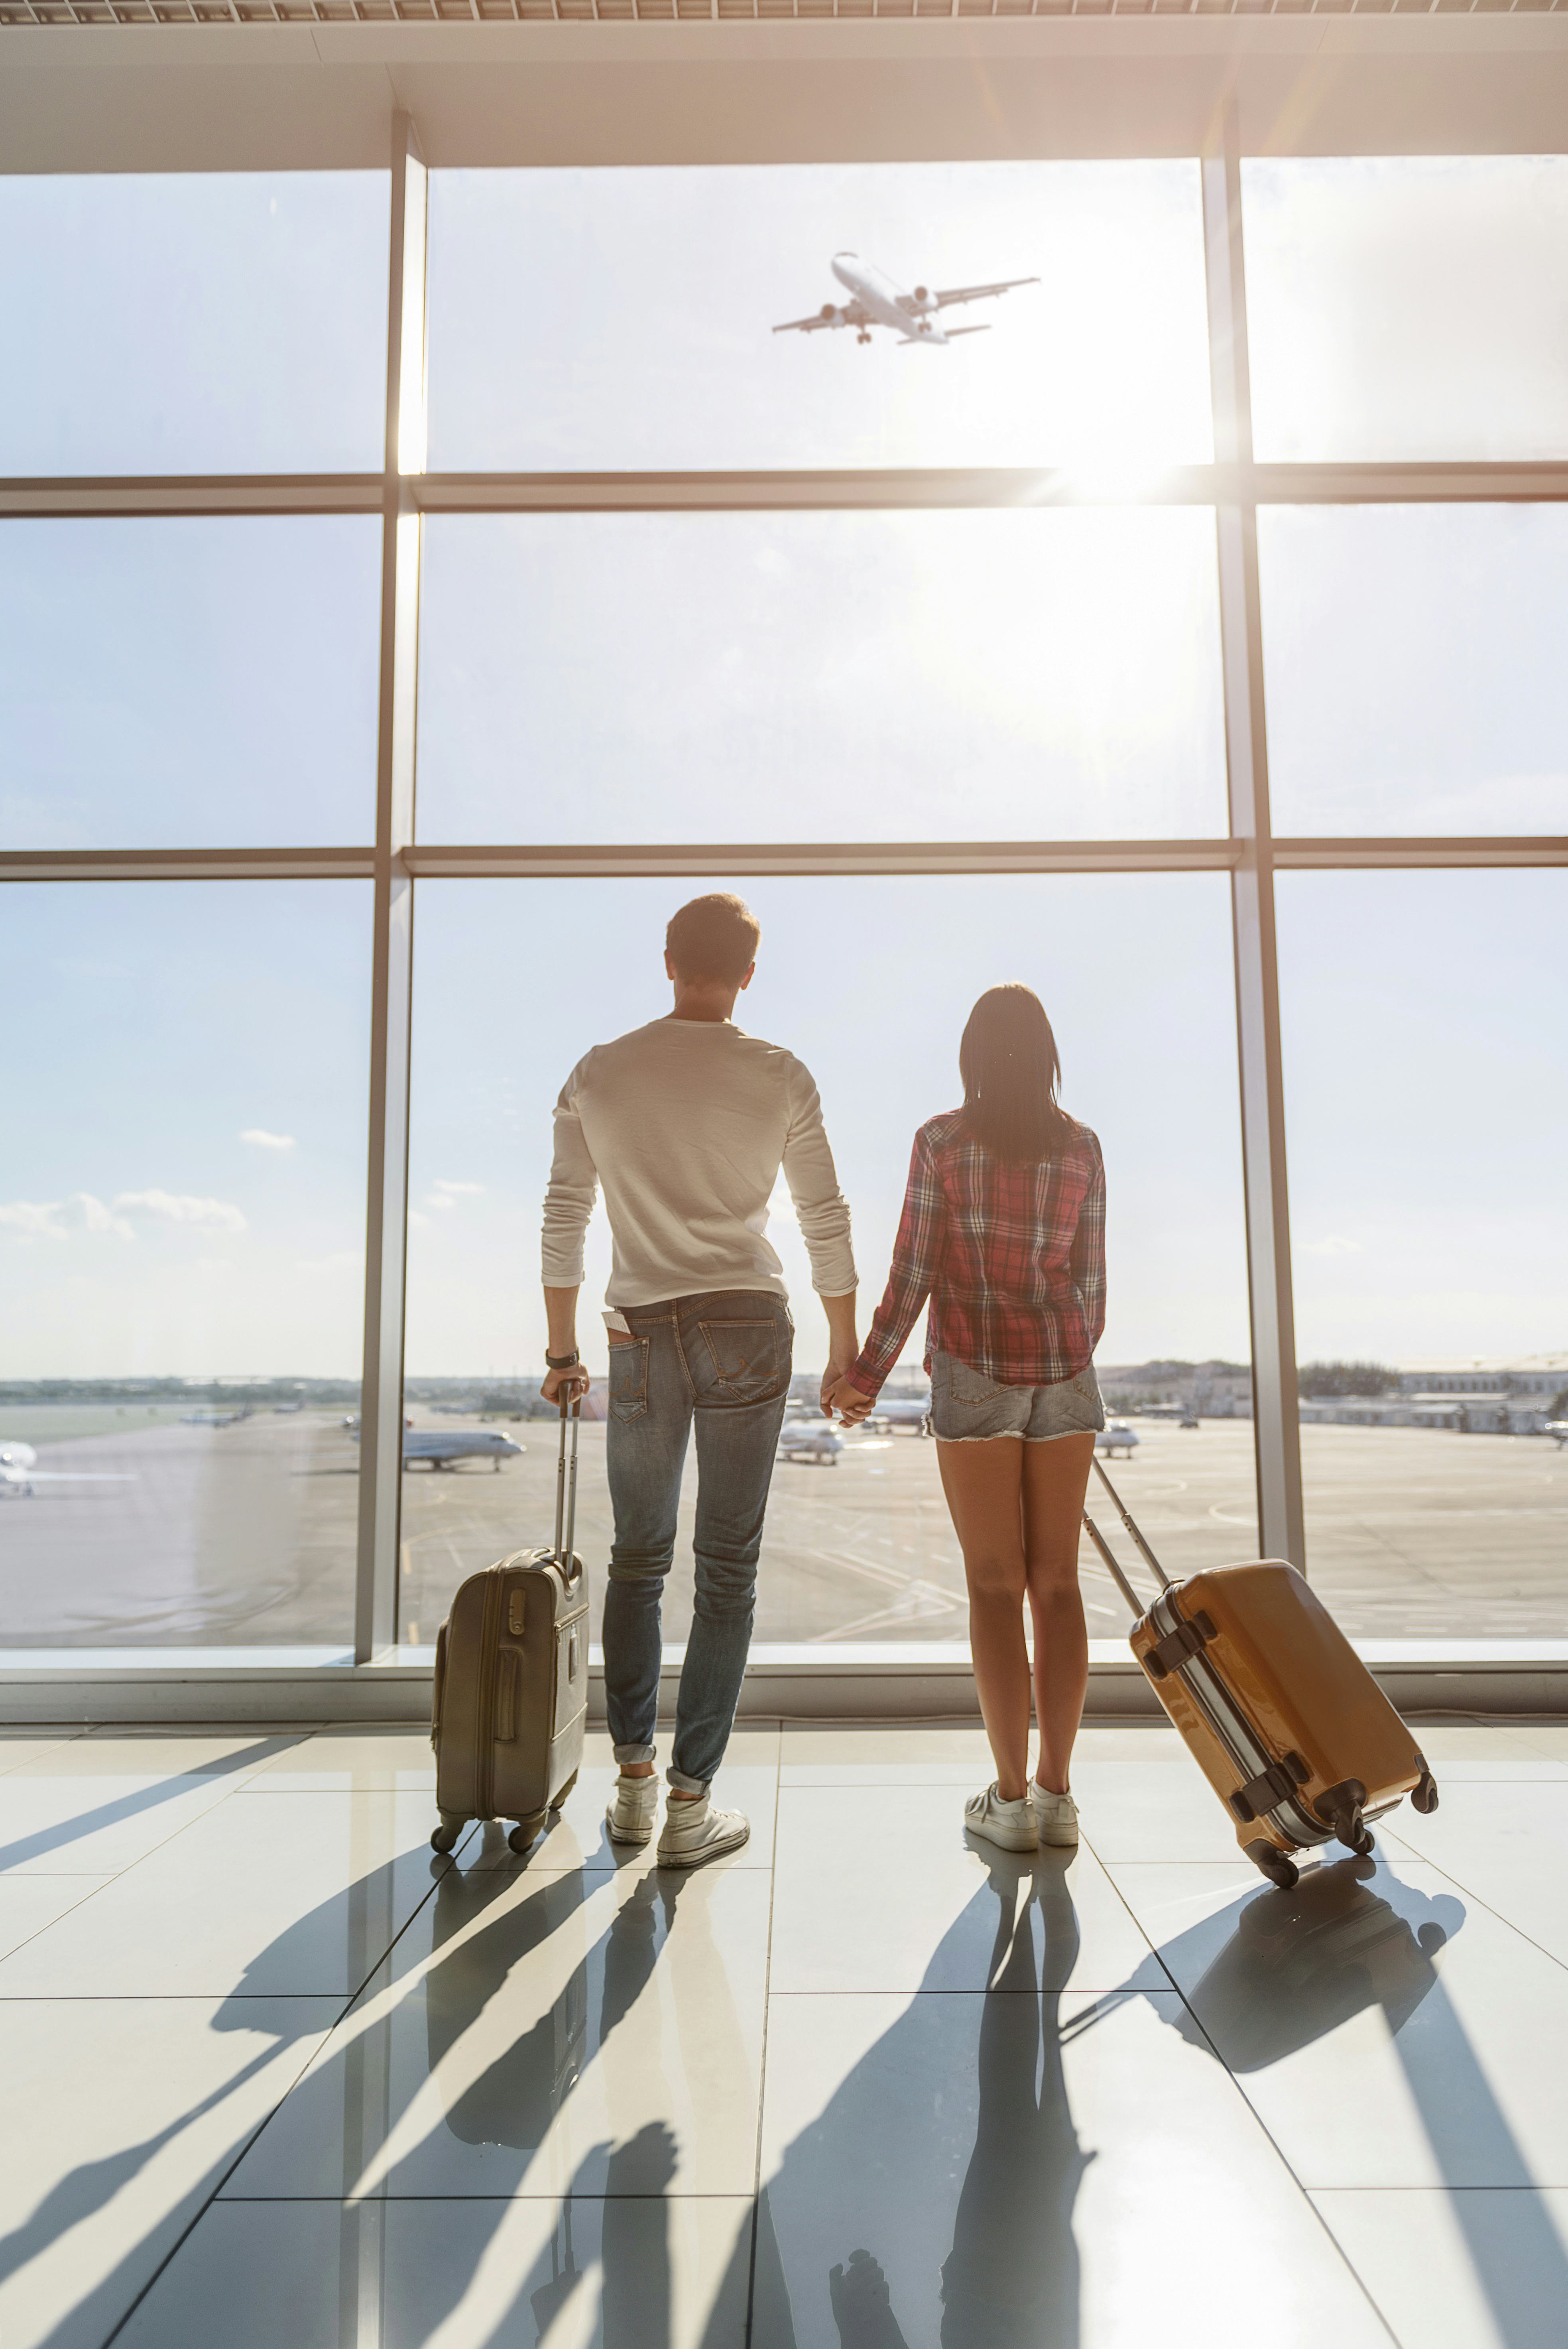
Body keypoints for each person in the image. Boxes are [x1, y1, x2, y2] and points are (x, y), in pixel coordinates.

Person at [541, 894, 858, 1868]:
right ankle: (690, 1804)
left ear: (667, 960)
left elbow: (564, 1215)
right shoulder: (780, 1075)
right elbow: (824, 1218)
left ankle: (631, 1787)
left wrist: (563, 1352)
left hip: (638, 1328)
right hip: (746, 1326)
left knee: (638, 1557)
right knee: (729, 1568)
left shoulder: (599, 1072)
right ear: (749, 974)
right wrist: (846, 1346)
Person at [826, 983, 1105, 1853]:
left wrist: (863, 1376)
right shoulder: (1082, 1147)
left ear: (971, 1057)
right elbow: (1091, 1285)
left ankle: (1011, 1800)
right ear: (1048, 1052)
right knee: (1057, 1584)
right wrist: (1061, 1349)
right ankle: (1059, 1797)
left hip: (974, 1370)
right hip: (1064, 1373)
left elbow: (913, 1272)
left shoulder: (941, 1142)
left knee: (994, 1584)